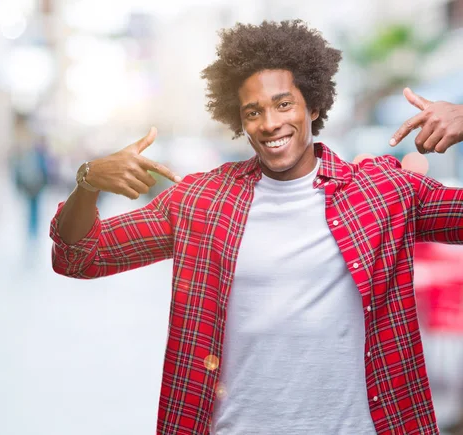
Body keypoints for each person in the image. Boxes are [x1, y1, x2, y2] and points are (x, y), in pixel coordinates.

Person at [50, 20, 463, 435]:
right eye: (253, 111)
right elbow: (79, 258)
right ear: (239, 120)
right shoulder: (202, 202)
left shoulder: (381, 192)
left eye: (284, 104)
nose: (269, 123)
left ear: (314, 106)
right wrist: (88, 182)